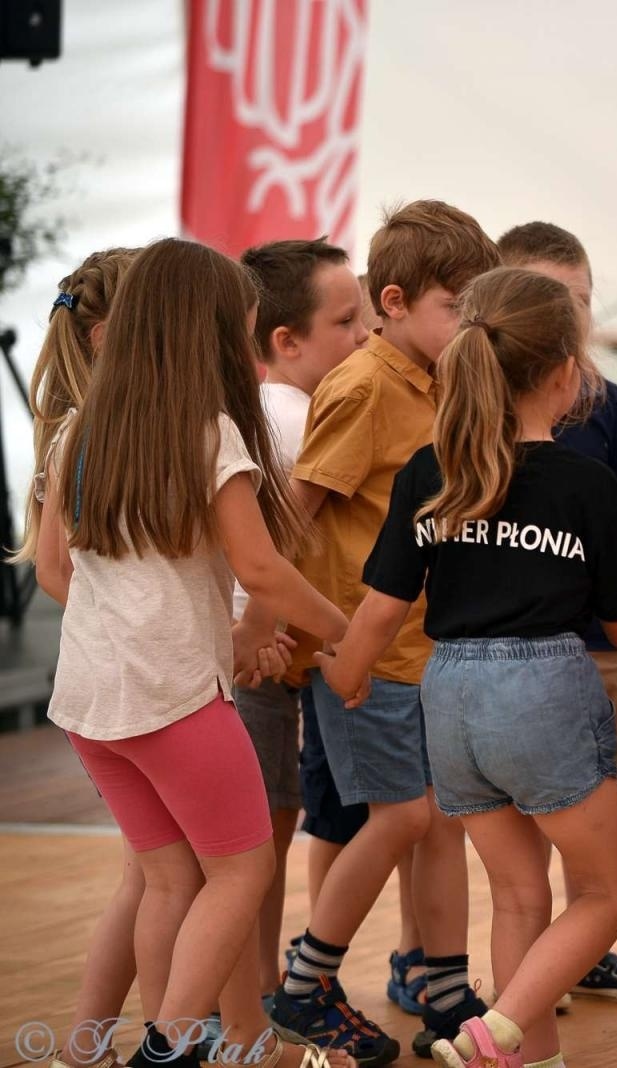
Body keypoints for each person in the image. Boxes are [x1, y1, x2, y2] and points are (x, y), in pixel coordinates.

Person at [319, 267, 617, 1068]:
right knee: (614, 891)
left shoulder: (430, 472)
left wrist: (348, 675)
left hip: (450, 695)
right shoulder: (590, 487)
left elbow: (381, 605)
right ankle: (494, 1033)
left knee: (517, 895)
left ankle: (530, 1058)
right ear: (565, 374)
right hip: (539, 692)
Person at [36, 238, 350, 1068]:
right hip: (172, 698)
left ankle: (209, 1044)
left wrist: (238, 631)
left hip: (91, 706)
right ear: (208, 332)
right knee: (239, 878)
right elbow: (258, 567)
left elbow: (65, 570)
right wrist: (344, 629)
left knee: (172, 880)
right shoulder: (208, 431)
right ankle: (169, 1049)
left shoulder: (81, 433)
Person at [263, 200, 501, 1065]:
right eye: (454, 309)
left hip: (427, 649)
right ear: (393, 301)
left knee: (438, 823)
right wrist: (279, 628)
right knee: (402, 817)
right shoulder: (362, 386)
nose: (466, 327)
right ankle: (304, 983)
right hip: (368, 653)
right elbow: (296, 515)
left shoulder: (436, 380)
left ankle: (445, 990)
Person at [496, 220, 617, 1007]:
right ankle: (533, 964)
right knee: (519, 818)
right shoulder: (474, 413)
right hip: (510, 654)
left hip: (597, 645)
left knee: (588, 797)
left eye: (580, 301)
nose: (569, 318)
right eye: (549, 301)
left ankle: (581, 946)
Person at [234, 237, 369, 1002]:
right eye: (346, 321)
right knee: (257, 843)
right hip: (262, 655)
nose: (361, 336)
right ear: (285, 341)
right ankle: (254, 1004)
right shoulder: (289, 421)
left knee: (271, 832)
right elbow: (275, 547)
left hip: (275, 650)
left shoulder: (284, 411)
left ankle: (257, 997)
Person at [20, 249, 145, 1068]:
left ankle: (91, 1047)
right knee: (170, 880)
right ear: (106, 337)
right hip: (127, 693)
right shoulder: (90, 434)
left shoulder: (91, 428)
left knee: (157, 877)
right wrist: (133, 635)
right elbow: (55, 569)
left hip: (110, 690)